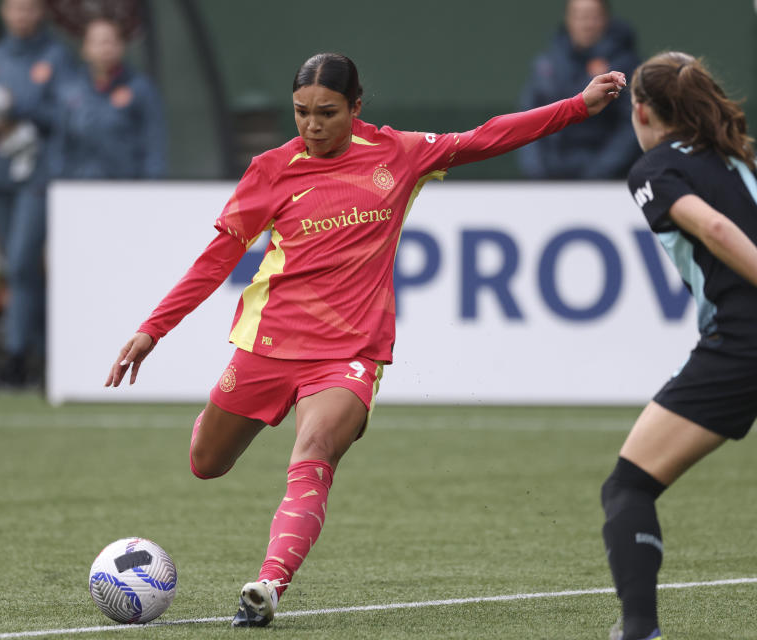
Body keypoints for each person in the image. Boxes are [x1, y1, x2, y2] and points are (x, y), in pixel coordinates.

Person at [105, 52, 625, 627]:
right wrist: (153, 328)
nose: (312, 125)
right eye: (301, 112)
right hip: (267, 346)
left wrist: (577, 106)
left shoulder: (399, 154)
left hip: (350, 353)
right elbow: (216, 259)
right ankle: (234, 463)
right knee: (206, 462)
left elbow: (487, 137)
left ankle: (268, 587)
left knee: (314, 454)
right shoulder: (271, 169)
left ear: (356, 107)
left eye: (327, 112)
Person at [601, 51, 757, 640]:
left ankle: (639, 630)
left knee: (629, 486)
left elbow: (714, 229)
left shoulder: (655, 168)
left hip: (744, 343)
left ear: (640, 110)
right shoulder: (743, 156)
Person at [0, 0, 72, 388]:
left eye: (29, 8)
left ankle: (15, 356)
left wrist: (19, 110)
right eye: (15, 8)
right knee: (17, 268)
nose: (22, 15)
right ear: (6, 12)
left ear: (40, 12)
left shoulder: (55, 56)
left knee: (23, 265)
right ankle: (41, 356)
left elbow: (63, 115)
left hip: (37, 177)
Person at [518, 0, 641, 179]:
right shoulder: (547, 64)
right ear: (568, 20)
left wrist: (600, 171)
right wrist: (537, 171)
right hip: (551, 177)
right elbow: (528, 118)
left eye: (593, 17)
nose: (587, 25)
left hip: (607, 182)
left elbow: (630, 124)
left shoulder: (626, 65)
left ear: (606, 20)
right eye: (580, 17)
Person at [50, 16, 165, 180]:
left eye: (111, 41)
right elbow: (59, 145)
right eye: (99, 42)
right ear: (85, 48)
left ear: (122, 46)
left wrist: (152, 186)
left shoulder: (140, 88)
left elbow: (153, 144)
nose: (106, 48)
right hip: (79, 189)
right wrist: (59, 181)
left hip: (126, 187)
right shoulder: (69, 91)